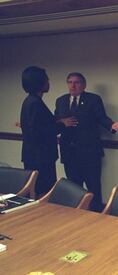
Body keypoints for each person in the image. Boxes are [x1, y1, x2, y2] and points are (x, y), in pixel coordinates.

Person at [54, 72, 118, 212]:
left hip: (89, 153)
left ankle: (96, 213)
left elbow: (101, 118)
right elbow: (55, 120)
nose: (73, 85)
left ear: (83, 85)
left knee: (93, 187)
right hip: (69, 152)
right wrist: (62, 122)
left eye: (77, 82)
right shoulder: (61, 100)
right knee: (74, 188)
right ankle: (77, 214)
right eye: (70, 82)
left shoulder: (93, 99)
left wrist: (112, 126)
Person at [20, 66, 76, 197]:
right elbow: (39, 132)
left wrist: (58, 122)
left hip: (36, 155)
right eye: (46, 80)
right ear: (38, 82)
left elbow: (38, 125)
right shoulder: (34, 103)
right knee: (43, 193)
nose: (48, 82)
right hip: (39, 157)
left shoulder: (31, 101)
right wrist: (62, 124)